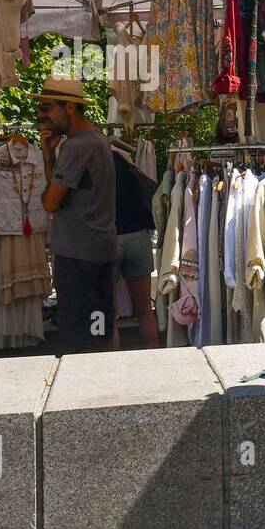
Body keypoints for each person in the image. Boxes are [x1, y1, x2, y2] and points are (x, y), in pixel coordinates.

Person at [35, 77, 118, 353]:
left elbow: (51, 202)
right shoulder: (98, 141)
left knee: (79, 338)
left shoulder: (77, 146)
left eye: (47, 108)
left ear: (69, 107)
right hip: (99, 249)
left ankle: (88, 392)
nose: (43, 116)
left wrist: (52, 159)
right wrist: (49, 157)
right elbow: (66, 190)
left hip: (77, 255)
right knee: (100, 330)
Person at [111, 149, 159, 348]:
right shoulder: (129, 169)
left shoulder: (93, 170)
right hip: (138, 237)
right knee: (145, 311)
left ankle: (107, 362)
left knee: (107, 314)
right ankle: (153, 356)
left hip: (108, 240)